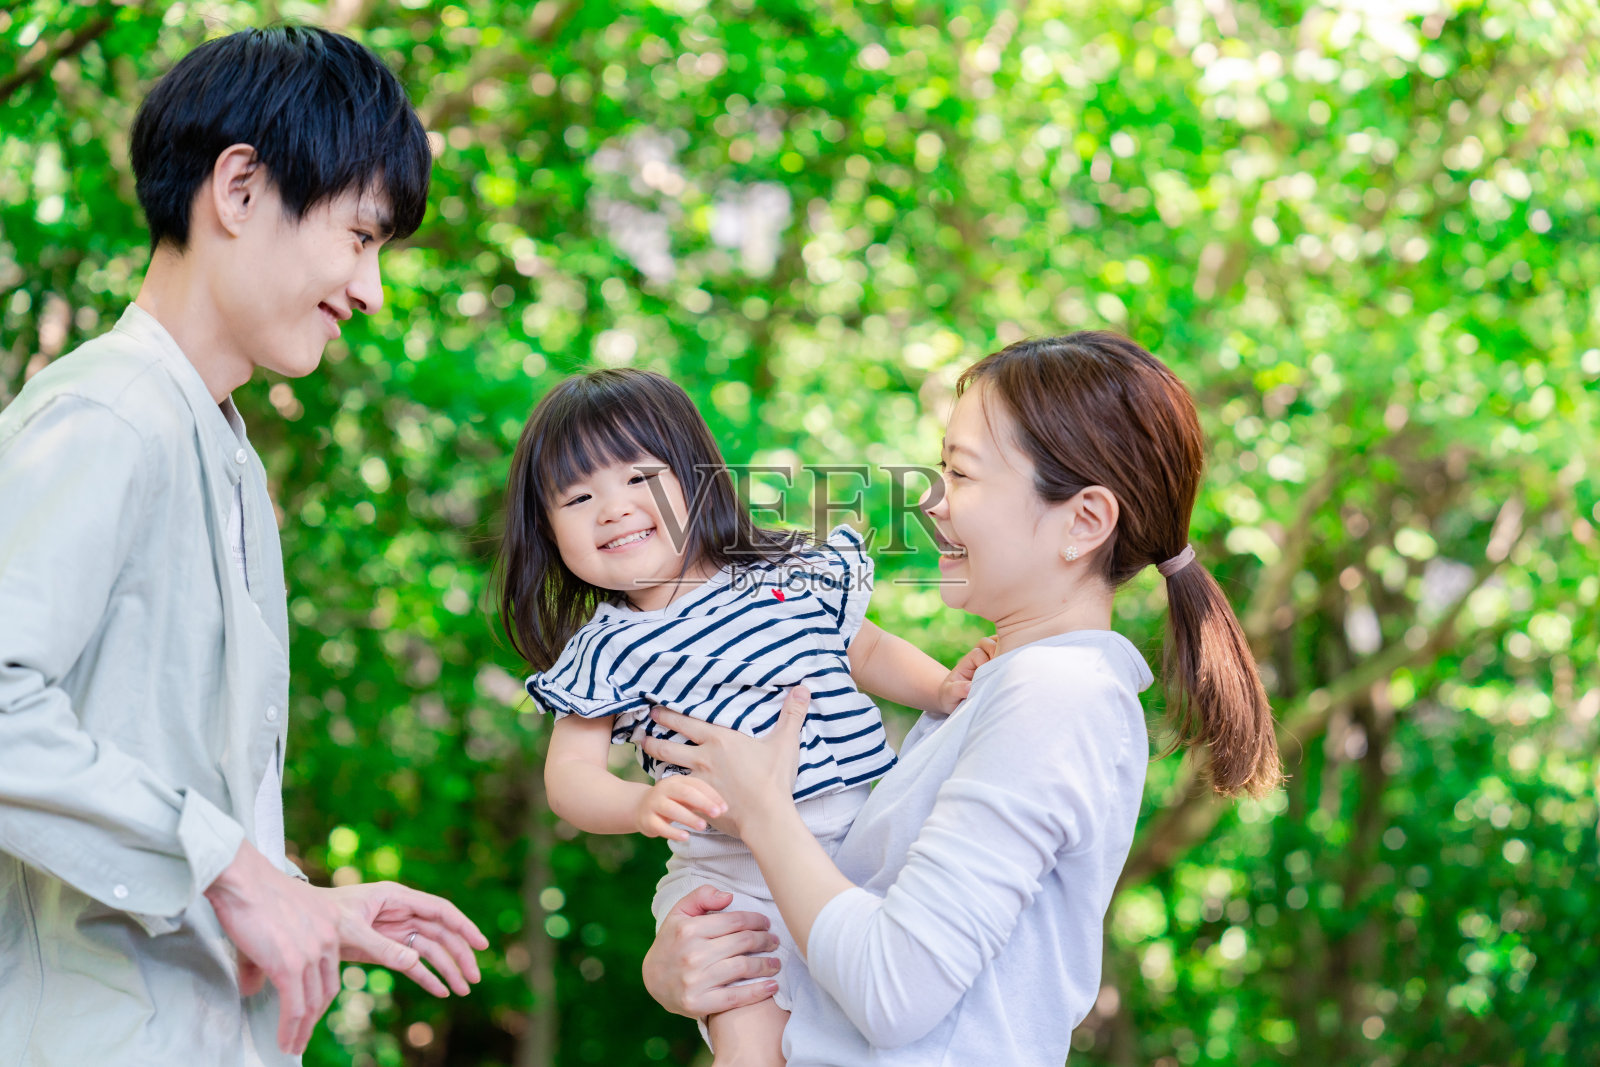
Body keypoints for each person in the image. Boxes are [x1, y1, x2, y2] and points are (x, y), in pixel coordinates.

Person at [0, 27, 487, 1065]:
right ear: (239, 189)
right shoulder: (110, 414)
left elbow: (163, 780)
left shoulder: (216, 448)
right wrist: (232, 868)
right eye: (360, 237)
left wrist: (293, 896)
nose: (371, 291)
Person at [640, 332, 1283, 1065]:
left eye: (962, 473)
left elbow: (893, 992)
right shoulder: (996, 690)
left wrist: (763, 812)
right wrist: (679, 972)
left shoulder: (1057, 697)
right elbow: (842, 947)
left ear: (1083, 521)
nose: (932, 500)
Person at [494, 368, 988, 1066]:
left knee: (885, 1018)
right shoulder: (607, 646)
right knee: (750, 1043)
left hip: (864, 839)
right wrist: (641, 803)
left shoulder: (784, 569)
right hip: (729, 880)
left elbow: (867, 648)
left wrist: (941, 688)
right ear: (547, 533)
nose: (613, 508)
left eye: (638, 477)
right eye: (578, 497)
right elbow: (569, 777)